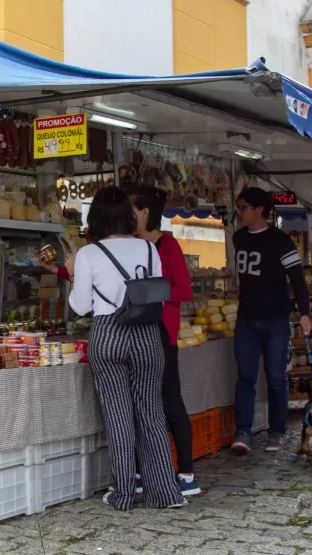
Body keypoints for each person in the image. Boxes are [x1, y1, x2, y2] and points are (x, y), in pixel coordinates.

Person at [67, 186, 186, 510]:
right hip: (147, 335)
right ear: (128, 216)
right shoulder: (149, 250)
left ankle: (124, 494)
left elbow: (79, 306)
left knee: (118, 417)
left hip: (109, 335)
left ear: (97, 218)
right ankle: (164, 493)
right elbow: (158, 293)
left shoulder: (88, 254)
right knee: (151, 413)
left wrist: (73, 270)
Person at [128, 185, 200, 497]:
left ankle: (186, 472)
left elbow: (183, 290)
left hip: (161, 332)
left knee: (170, 401)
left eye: (132, 211)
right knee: (141, 402)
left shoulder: (167, 245)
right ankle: (144, 470)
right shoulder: (128, 245)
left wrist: (147, 292)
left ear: (145, 213)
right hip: (134, 334)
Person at [231, 187, 312, 454]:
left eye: (243, 206)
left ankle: (276, 431)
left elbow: (298, 280)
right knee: (245, 377)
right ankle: (243, 432)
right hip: (246, 320)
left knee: (276, 377)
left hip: (276, 320)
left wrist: (304, 313)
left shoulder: (281, 241)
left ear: (258, 209)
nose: (239, 212)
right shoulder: (238, 238)